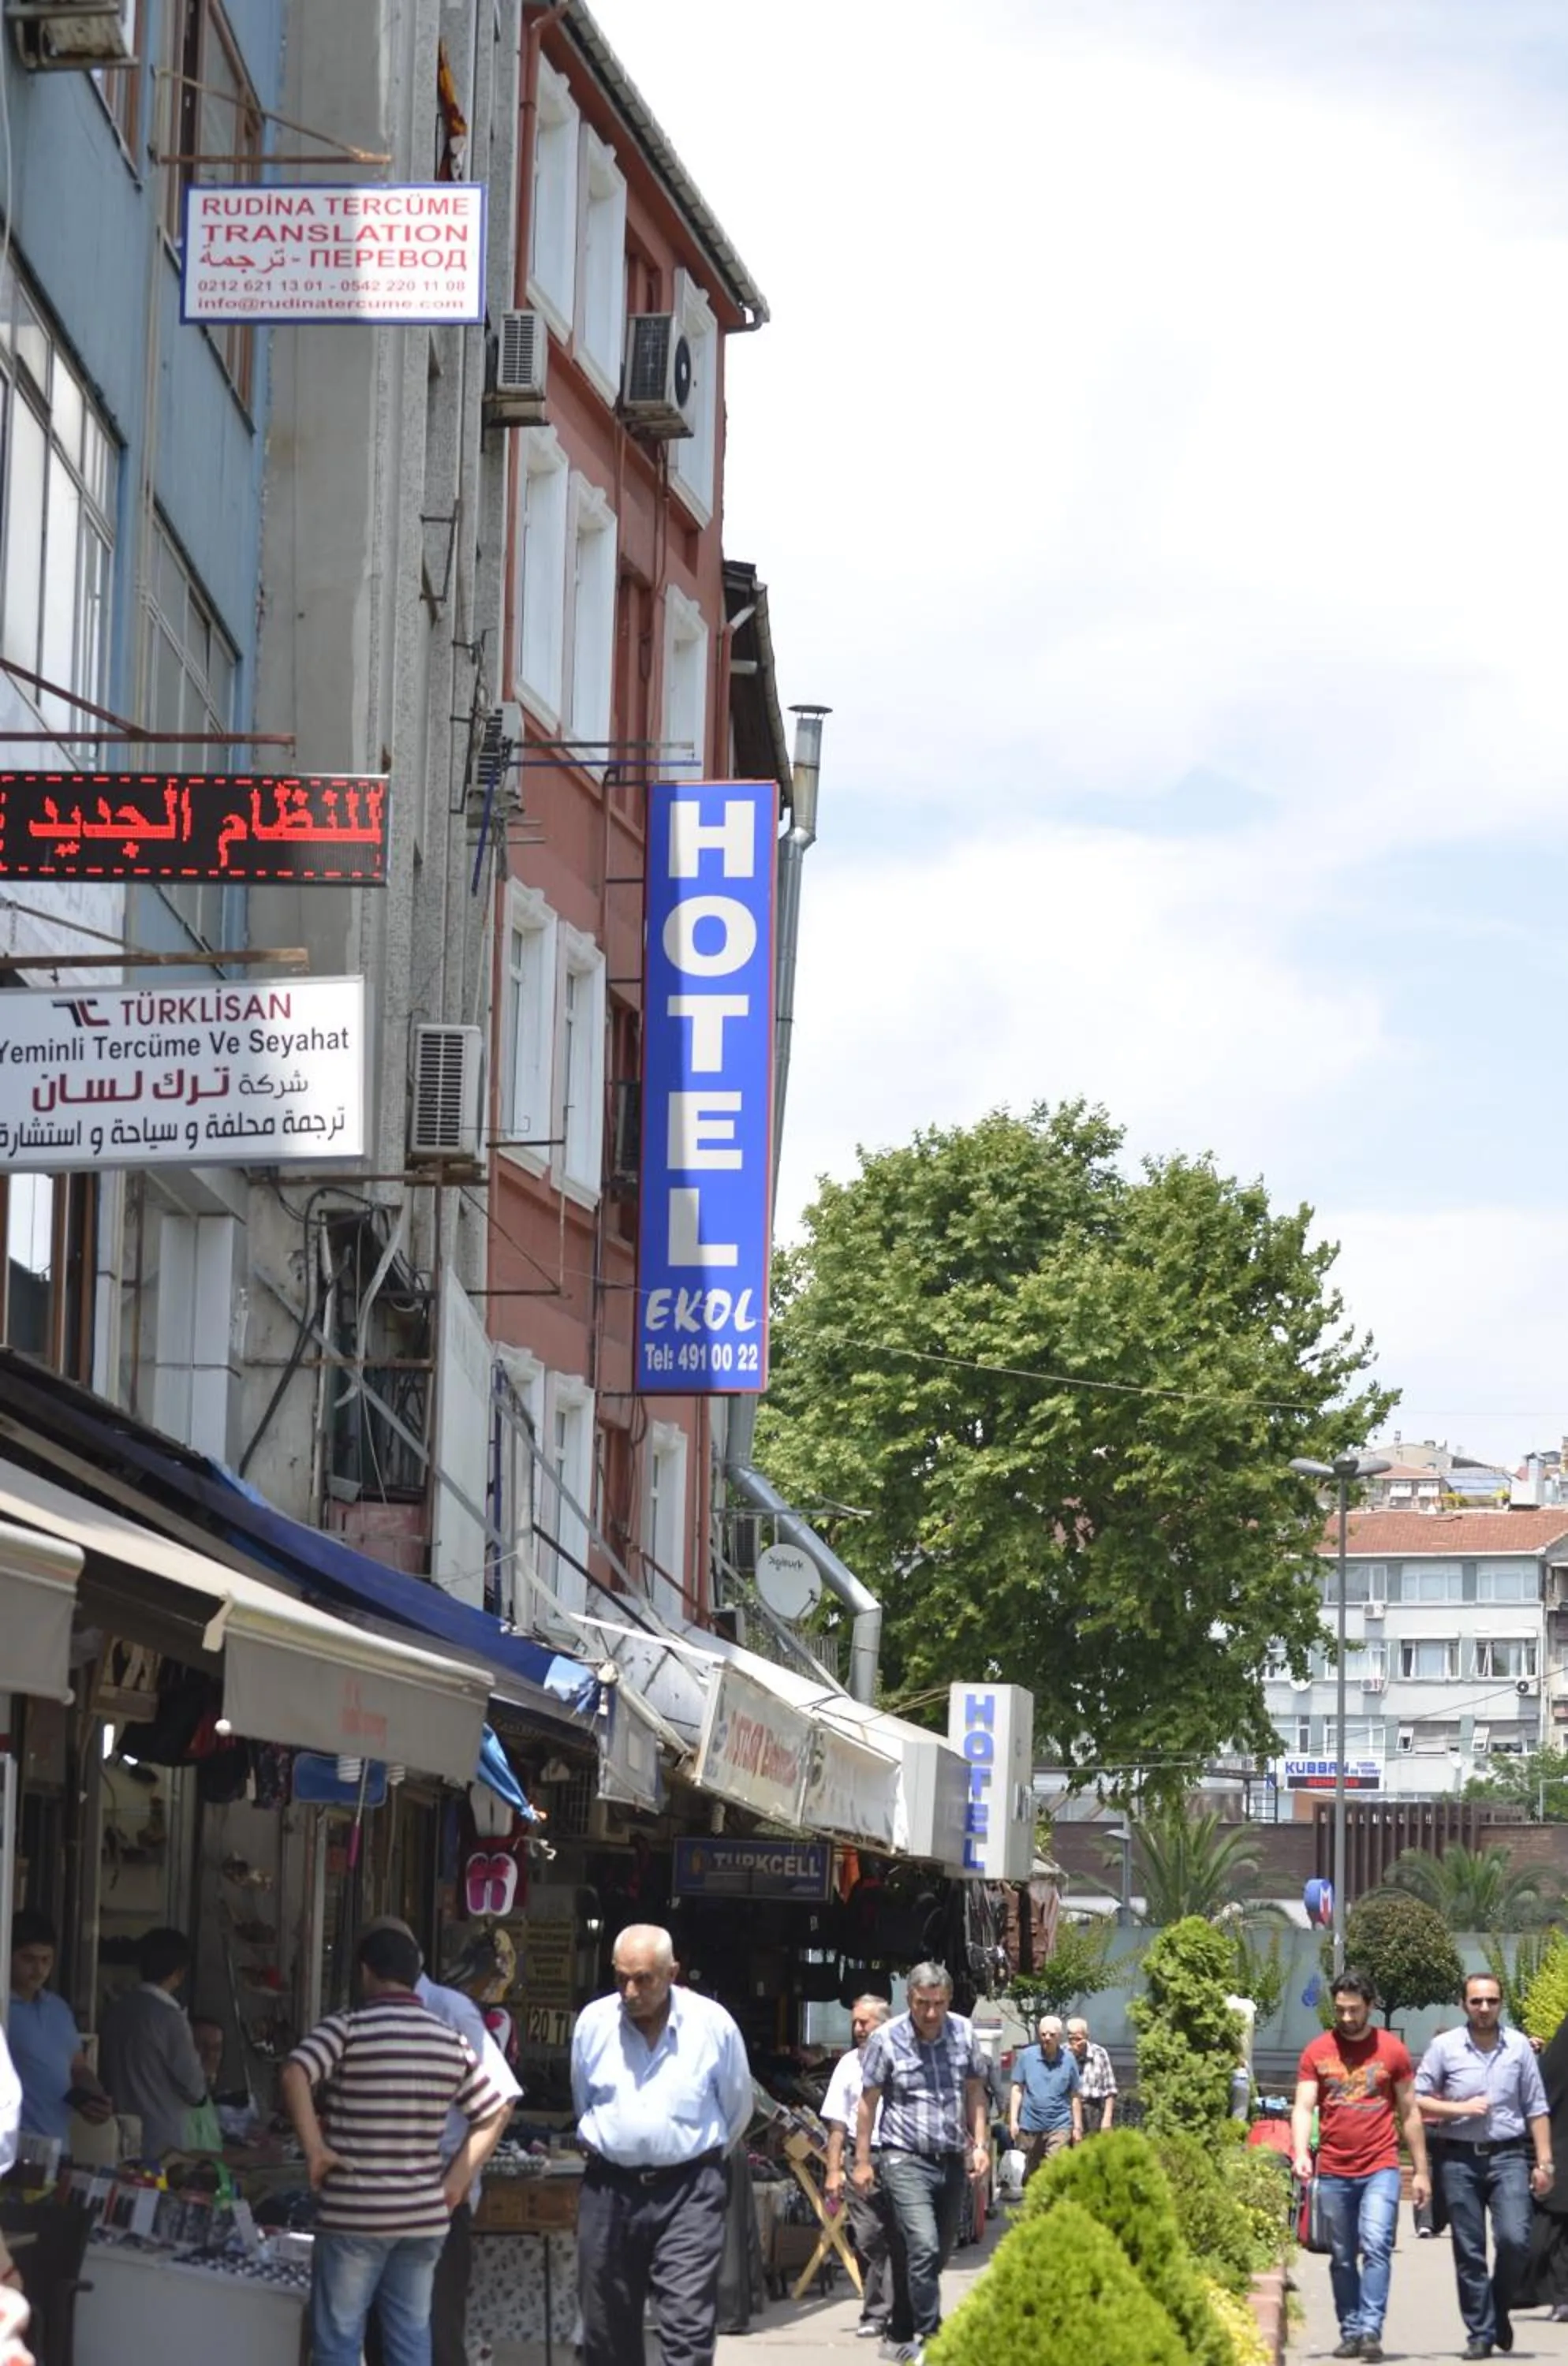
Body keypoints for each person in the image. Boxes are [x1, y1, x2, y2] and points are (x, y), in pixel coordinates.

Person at [282, 1922, 506, 2366]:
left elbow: (295, 2072)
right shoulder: (448, 2039)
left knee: (340, 2340)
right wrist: (456, 2181)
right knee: (410, 2338)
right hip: (422, 2217)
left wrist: (316, 2150)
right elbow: (495, 2110)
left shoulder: (349, 2027)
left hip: (356, 2214)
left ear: (366, 1972)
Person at [571, 1924, 752, 2366]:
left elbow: (737, 2107)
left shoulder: (712, 2025)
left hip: (689, 2190)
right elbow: (583, 2101)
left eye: (643, 1979)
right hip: (610, 2189)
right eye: (621, 1978)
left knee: (688, 2323)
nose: (630, 1992)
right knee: (605, 2327)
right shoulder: (594, 2024)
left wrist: (692, 2157)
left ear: (672, 1973)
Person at [359, 1918, 521, 2366]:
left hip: (437, 2200)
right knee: (381, 2334)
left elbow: (500, 2099)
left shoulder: (450, 2010)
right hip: (380, 2198)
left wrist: (455, 2183)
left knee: (434, 2332)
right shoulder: (370, 2014)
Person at [853, 1961, 991, 2366]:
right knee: (923, 2244)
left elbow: (975, 2091)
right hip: (903, 2157)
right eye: (922, 2003)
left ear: (949, 2000)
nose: (931, 2013)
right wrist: (862, 2161)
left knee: (937, 2252)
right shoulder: (886, 2039)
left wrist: (980, 2144)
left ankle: (898, 2331)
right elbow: (867, 2103)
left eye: (939, 2003)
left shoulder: (963, 2032)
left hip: (950, 2158)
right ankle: (932, 2335)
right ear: (908, 1999)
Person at [1293, 1966, 1431, 2365]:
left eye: (1354, 2010)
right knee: (1341, 2254)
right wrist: (1301, 2153)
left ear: (1370, 2006)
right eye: (1340, 2010)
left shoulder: (1392, 2051)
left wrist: (1421, 2171)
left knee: (1376, 2244)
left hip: (1380, 2166)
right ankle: (1350, 2330)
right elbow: (1303, 2106)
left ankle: (1371, 2329)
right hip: (1334, 2169)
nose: (1347, 2017)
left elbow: (1410, 2113)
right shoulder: (1317, 2051)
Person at [1415, 1970, 1552, 2360]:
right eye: (1476, 2001)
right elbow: (1417, 2098)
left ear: (1501, 2003)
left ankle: (1497, 2307)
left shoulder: (1519, 2047)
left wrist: (1545, 2164)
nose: (1484, 2008)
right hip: (1458, 2159)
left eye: (1491, 2000)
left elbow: (1536, 2107)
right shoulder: (1445, 2047)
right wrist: (1458, 2108)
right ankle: (1480, 2331)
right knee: (1469, 2249)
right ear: (1464, 2005)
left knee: (1515, 2240)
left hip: (1508, 2157)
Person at [98, 1926, 207, 2159]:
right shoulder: (170, 2018)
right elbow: (195, 2089)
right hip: (162, 2141)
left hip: (116, 2132)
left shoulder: (114, 2011)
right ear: (179, 1972)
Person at [823, 1995, 894, 2341]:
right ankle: (881, 2307)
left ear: (885, 2024)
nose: (858, 2029)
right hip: (860, 2157)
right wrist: (833, 2170)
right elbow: (837, 2124)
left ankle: (884, 2313)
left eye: (865, 2022)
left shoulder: (903, 2060)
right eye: (855, 2023)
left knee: (900, 2236)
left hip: (898, 2155)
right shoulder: (848, 2065)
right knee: (867, 2237)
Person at [7, 1911, 112, 2145]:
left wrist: (95, 2098)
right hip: (13, 2146)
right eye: (28, 1959)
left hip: (58, 2144)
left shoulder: (58, 2009)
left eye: (46, 1960)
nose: (38, 1970)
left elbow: (78, 2068)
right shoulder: (4, 2010)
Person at [1008, 2014, 1083, 2181]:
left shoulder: (1069, 2060)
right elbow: (1017, 2089)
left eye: (1051, 2035)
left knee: (1054, 2170)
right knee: (1031, 2174)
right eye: (1043, 2034)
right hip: (1031, 2125)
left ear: (1059, 2037)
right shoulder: (1027, 2056)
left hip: (1060, 2124)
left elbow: (1075, 2095)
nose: (1047, 2038)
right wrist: (1013, 2120)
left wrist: (1077, 2127)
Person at [1066, 2016, 1118, 2133]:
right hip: (1067, 2110)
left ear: (1087, 2036)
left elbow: (1110, 2090)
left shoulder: (1099, 2053)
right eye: (1071, 2039)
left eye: (1079, 2039)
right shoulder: (1062, 2053)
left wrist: (1107, 2118)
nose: (1075, 2043)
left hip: (1092, 2109)